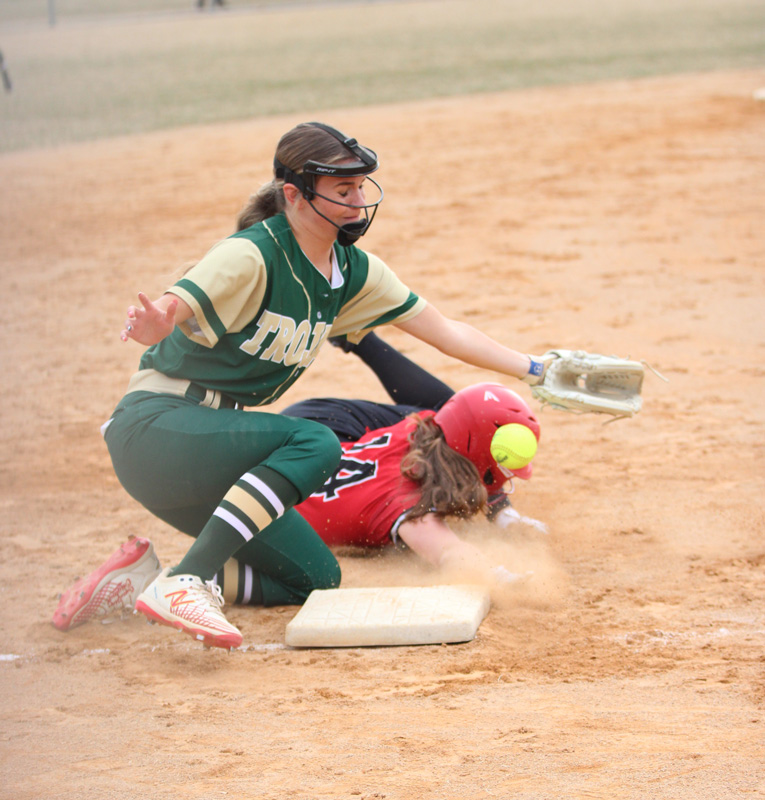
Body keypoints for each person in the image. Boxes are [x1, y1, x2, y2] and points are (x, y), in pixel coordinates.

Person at [89, 121, 551, 650]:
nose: (358, 202)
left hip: (208, 454)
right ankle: (186, 580)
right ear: (294, 195)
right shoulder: (253, 253)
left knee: (311, 577)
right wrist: (159, 324)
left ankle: (139, 583)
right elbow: (176, 306)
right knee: (312, 442)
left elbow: (446, 332)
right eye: (342, 190)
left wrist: (539, 369)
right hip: (158, 428)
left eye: (360, 188)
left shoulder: (351, 271)